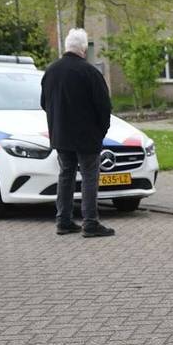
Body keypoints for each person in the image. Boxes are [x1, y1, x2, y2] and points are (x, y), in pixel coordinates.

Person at [40, 28, 115, 238]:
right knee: (90, 176)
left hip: (61, 135)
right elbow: (103, 107)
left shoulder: (50, 71)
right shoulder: (90, 72)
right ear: (83, 48)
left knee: (66, 175)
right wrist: (101, 131)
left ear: (66, 47)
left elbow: (44, 103)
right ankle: (90, 222)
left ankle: (63, 220)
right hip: (86, 136)